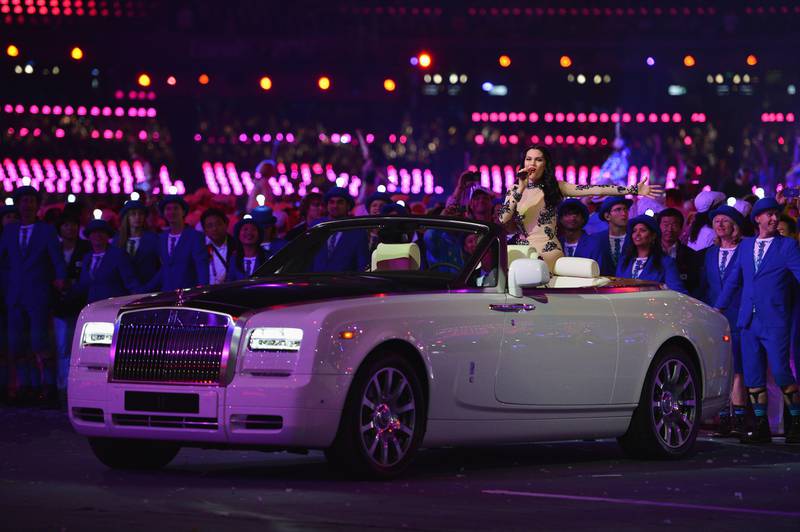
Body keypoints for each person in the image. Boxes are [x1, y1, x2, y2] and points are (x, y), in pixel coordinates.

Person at [715, 196, 800, 444]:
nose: (774, 218)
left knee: (782, 371)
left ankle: (796, 422)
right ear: (757, 219)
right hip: (748, 320)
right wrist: (717, 307)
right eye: (769, 214)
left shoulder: (788, 246)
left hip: (775, 319)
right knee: (752, 374)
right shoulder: (746, 246)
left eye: (776, 214)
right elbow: (733, 281)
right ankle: (760, 425)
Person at [499, 145, 661, 272]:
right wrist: (520, 188)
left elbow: (595, 189)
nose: (532, 164)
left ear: (545, 164)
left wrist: (632, 189)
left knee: (530, 273)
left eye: (538, 160)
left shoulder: (556, 186)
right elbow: (502, 219)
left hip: (546, 251)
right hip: (521, 250)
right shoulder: (514, 189)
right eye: (529, 159)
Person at [0, 186, 66, 405]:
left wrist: (60, 278)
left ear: (37, 205)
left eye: (31, 201)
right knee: (18, 345)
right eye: (23, 201)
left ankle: (46, 386)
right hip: (15, 295)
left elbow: (57, 259)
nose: (27, 205)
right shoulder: (9, 230)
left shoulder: (46, 230)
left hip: (38, 294)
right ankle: (26, 386)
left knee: (41, 343)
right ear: (18, 205)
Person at [699, 205, 748, 437]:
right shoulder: (710, 253)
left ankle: (738, 418)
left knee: (737, 367)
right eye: (716, 221)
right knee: (721, 366)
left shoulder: (745, 249)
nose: (719, 224)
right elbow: (706, 285)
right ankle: (723, 416)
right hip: (714, 316)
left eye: (724, 221)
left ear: (735, 226)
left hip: (738, 314)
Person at [52, 212, 90, 398]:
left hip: (81, 306)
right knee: (61, 349)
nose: (70, 228)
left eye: (73, 224)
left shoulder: (86, 248)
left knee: (81, 351)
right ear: (60, 228)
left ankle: (80, 391)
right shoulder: (54, 249)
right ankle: (62, 389)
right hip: (59, 307)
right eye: (66, 225)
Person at [144, 194, 209, 292]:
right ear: (164, 213)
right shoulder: (162, 238)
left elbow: (202, 268)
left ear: (183, 212)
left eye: (176, 208)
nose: (172, 212)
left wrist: (202, 292)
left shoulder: (195, 236)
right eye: (168, 209)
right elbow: (165, 269)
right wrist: (144, 290)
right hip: (167, 295)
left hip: (188, 295)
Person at [75, 218, 141, 304]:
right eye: (94, 232)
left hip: (114, 308)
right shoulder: (87, 258)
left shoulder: (119, 255)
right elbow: (83, 285)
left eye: (102, 232)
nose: (98, 235)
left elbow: (131, 282)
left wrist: (139, 301)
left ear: (108, 235)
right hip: (92, 309)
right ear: (89, 236)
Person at [616, 214, 687, 293]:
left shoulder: (666, 262)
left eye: (643, 230)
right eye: (634, 231)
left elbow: (678, 292)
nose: (637, 234)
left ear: (653, 236)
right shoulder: (624, 261)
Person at [311, 187, 369, 272]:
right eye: (331, 202)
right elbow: (307, 257)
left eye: (340, 202)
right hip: (315, 282)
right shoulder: (317, 226)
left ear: (348, 206)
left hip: (344, 283)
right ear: (327, 206)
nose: (335, 206)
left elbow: (362, 266)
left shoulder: (358, 232)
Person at [576, 197, 632, 276]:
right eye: (618, 210)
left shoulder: (634, 238)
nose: (624, 213)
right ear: (607, 216)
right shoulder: (594, 240)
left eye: (625, 209)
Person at [656, 208, 702, 296]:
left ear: (681, 228)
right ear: (658, 227)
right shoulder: (649, 253)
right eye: (665, 225)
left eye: (674, 225)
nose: (669, 229)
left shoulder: (691, 256)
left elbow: (695, 285)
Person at [116, 199, 160, 287]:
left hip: (148, 288)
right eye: (133, 214)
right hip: (123, 290)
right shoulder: (118, 241)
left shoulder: (153, 239)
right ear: (127, 217)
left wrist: (149, 287)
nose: (137, 217)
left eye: (141, 214)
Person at [228, 216, 270, 281]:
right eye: (245, 229)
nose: (249, 232)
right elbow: (230, 282)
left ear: (259, 235)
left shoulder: (267, 257)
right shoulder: (234, 259)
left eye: (253, 229)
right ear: (238, 235)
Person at [201, 208, 234, 285]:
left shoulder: (237, 246)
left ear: (226, 224)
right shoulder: (202, 248)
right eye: (210, 226)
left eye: (218, 224)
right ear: (205, 230)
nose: (214, 229)